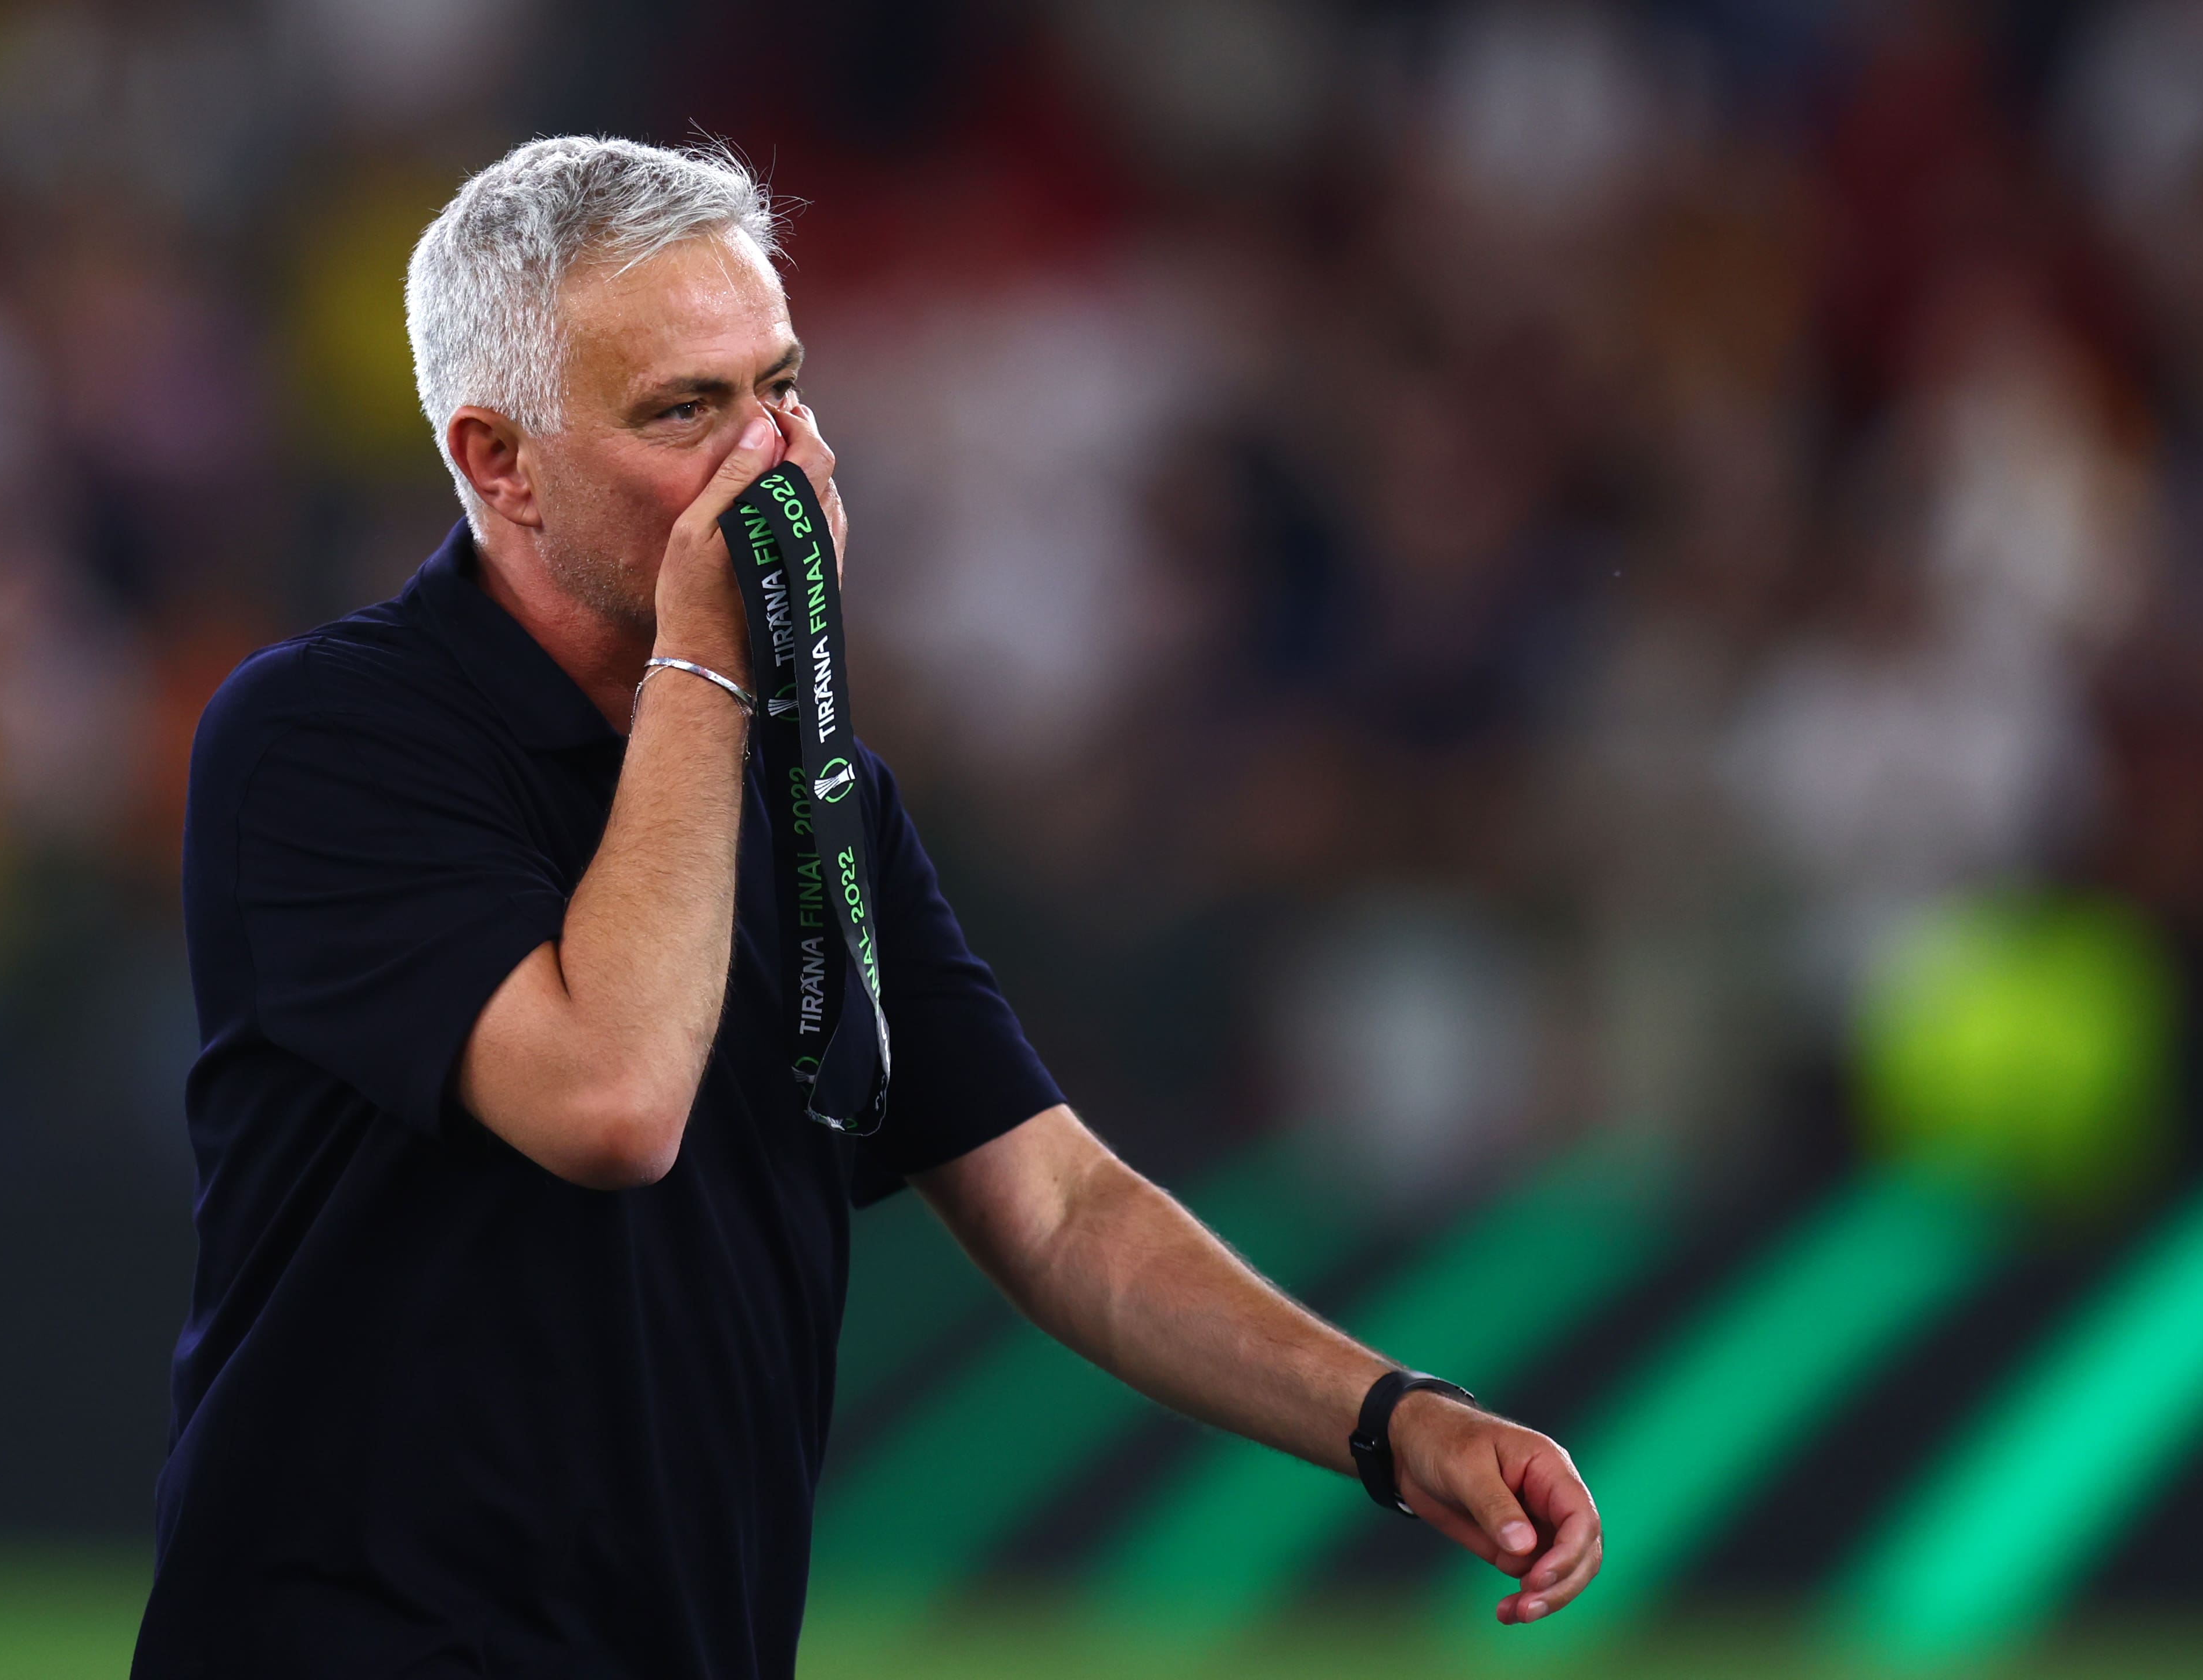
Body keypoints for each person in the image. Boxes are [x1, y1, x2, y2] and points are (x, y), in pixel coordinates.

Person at [131, 135, 1602, 1680]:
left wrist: (1387, 1415)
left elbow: (1058, 1205)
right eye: (684, 412)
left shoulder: (817, 786)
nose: (764, 460)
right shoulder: (323, 738)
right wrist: (711, 664)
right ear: (498, 462)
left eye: (778, 386)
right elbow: (613, 1098)